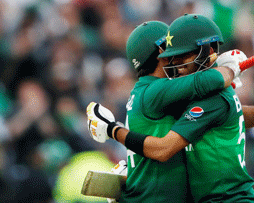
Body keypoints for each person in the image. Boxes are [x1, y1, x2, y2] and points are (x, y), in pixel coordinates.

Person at [88, 14, 254, 203]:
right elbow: (214, 84)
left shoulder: (170, 93)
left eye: (181, 54)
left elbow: (222, 114)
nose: (175, 60)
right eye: (171, 53)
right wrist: (226, 68)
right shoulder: (163, 91)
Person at [89, 20, 242, 203]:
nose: (178, 53)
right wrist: (231, 68)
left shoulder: (156, 91)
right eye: (173, 47)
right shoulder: (159, 90)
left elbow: (216, 115)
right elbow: (215, 79)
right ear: (161, 52)